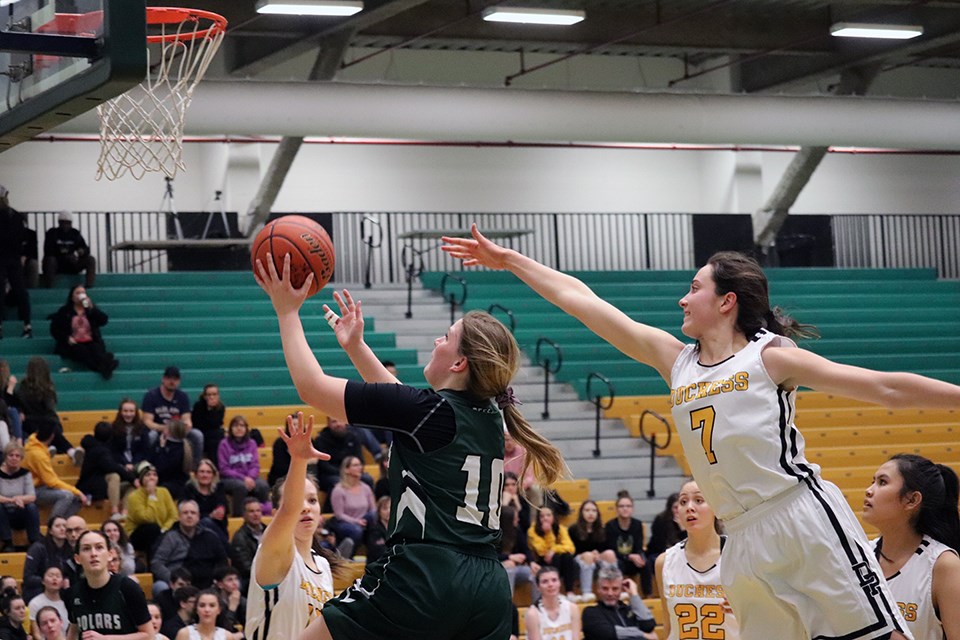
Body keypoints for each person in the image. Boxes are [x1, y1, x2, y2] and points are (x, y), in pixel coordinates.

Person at [441, 228, 960, 639]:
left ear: (727, 301)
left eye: (694, 289)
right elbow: (582, 300)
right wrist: (510, 261)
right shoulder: (677, 362)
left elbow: (884, 388)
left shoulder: (771, 357)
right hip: (742, 534)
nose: (683, 300)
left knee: (878, 636)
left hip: (800, 516)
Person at [255, 255, 567, 640]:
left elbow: (312, 386)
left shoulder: (431, 411)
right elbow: (402, 404)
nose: (437, 340)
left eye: (446, 337)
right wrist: (356, 348)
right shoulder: (488, 414)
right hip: (488, 585)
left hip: (426, 576)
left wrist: (287, 312)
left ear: (459, 364)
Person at [244, 414, 339, 640]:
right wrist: (299, 459)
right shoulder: (275, 551)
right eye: (300, 501)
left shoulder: (323, 566)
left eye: (313, 501)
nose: (305, 508)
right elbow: (290, 509)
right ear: (276, 514)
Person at [863, 454, 960, 640]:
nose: (869, 491)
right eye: (872, 481)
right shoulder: (860, 556)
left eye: (882, 482)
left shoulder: (944, 565)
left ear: (912, 500)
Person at [656, 480, 740, 640]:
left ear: (716, 507)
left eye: (699, 500)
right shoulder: (664, 562)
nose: (690, 507)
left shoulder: (739, 556)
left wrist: (745, 608)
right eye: (683, 502)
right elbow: (668, 627)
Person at [66, 529, 152, 640]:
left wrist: (106, 639)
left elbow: (149, 635)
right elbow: (73, 634)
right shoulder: (73, 593)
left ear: (110, 554)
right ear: (77, 559)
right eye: (86, 549)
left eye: (99, 547)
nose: (93, 554)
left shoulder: (127, 588)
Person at [150, 499, 229, 594]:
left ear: (198, 517)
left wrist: (216, 580)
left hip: (208, 586)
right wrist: (174, 579)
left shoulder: (210, 536)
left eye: (193, 513)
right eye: (185, 513)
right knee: (160, 586)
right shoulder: (170, 537)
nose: (189, 515)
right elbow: (156, 563)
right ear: (179, 517)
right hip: (179, 586)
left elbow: (222, 561)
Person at [48, 285, 118, 379]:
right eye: (77, 293)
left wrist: (92, 309)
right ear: (72, 297)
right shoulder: (65, 311)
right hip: (73, 342)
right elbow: (54, 329)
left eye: (83, 293)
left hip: (90, 340)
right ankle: (104, 366)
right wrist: (66, 338)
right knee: (82, 351)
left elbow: (103, 320)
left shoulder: (90, 310)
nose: (81, 295)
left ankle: (104, 364)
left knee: (96, 349)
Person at [23, 420, 86, 520]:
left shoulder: (33, 443)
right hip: (32, 490)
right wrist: (77, 491)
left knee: (76, 499)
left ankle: (62, 524)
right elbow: (51, 482)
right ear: (52, 436)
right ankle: (53, 526)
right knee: (67, 496)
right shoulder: (38, 455)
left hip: (40, 485)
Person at [16, 359, 77, 459]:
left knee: (50, 427)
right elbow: (49, 411)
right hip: (41, 423)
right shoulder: (47, 389)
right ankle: (70, 450)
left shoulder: (21, 387)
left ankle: (49, 448)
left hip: (29, 423)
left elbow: (16, 404)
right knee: (52, 427)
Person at [75, 421, 134, 520]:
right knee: (115, 476)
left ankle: (125, 512)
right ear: (110, 436)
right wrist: (132, 478)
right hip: (92, 488)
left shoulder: (93, 445)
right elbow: (111, 466)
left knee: (130, 485)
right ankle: (114, 510)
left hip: (102, 485)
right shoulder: (100, 451)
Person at [581, 565, 659, 640]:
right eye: (605, 589)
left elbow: (649, 626)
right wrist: (643, 635)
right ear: (598, 589)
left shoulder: (629, 610)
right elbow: (608, 634)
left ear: (621, 589)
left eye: (615, 589)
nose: (610, 593)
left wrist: (634, 595)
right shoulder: (590, 612)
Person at [141, 367, 202, 462]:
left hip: (177, 430)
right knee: (151, 436)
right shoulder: (151, 395)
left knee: (197, 435)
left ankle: (195, 467)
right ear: (163, 379)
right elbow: (147, 421)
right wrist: (164, 428)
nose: (172, 381)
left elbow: (187, 419)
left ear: (179, 381)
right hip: (158, 430)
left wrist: (186, 427)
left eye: (175, 379)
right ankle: (150, 466)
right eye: (169, 378)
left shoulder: (182, 396)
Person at [311, 416, 380, 496]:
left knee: (367, 479)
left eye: (340, 421)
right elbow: (323, 465)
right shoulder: (321, 440)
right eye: (334, 422)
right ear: (328, 424)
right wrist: (344, 473)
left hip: (350, 471)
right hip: (331, 475)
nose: (338, 424)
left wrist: (351, 471)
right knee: (336, 483)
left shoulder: (353, 437)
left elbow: (360, 460)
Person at [217, 416, 270, 517]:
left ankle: (263, 515)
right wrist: (244, 478)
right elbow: (224, 468)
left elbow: (255, 465)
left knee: (263, 485)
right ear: (231, 428)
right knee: (240, 487)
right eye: (235, 425)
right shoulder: (224, 444)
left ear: (246, 428)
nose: (239, 428)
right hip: (229, 479)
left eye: (242, 425)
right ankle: (238, 516)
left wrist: (250, 477)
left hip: (249, 477)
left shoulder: (252, 443)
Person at [124, 461, 178, 558]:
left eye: (154, 475)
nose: (152, 478)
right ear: (141, 478)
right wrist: (151, 496)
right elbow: (147, 518)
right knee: (152, 529)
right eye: (148, 475)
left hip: (161, 531)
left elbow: (173, 515)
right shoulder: (134, 496)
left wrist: (164, 529)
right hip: (138, 535)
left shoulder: (164, 492)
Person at [0, 185, 32, 339]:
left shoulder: (15, 216)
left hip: (11, 258)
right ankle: (26, 326)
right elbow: (24, 239)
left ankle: (27, 326)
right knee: (18, 292)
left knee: (21, 292)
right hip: (9, 258)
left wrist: (23, 255)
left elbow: (24, 239)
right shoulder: (16, 216)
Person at [604, 491, 651, 597]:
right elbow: (611, 550)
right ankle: (618, 593)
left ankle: (648, 595)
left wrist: (640, 557)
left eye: (628, 506)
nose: (625, 508)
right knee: (617, 564)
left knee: (646, 563)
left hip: (632, 560)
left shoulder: (637, 524)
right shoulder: (610, 526)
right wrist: (628, 556)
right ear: (616, 509)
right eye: (621, 506)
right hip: (619, 559)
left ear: (632, 509)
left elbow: (639, 547)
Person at [327, 456, 374, 558]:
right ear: (347, 469)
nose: (360, 467)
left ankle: (375, 556)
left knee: (374, 518)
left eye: (360, 465)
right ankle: (344, 556)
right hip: (345, 523)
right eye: (355, 465)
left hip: (364, 521)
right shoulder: (339, 490)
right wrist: (357, 521)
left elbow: (372, 509)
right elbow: (339, 515)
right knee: (356, 530)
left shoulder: (366, 488)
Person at [568, 499, 615, 602]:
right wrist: (588, 555)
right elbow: (571, 551)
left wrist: (598, 555)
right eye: (587, 510)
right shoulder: (573, 529)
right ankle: (587, 592)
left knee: (610, 554)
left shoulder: (602, 530)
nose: (591, 513)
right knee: (588, 556)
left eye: (594, 511)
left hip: (596, 559)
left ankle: (614, 588)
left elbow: (604, 548)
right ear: (581, 513)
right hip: (579, 559)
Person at [528, 506, 578, 600]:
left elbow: (570, 547)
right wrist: (548, 533)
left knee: (567, 557)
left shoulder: (561, 528)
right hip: (541, 561)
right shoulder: (532, 530)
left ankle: (569, 592)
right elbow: (542, 551)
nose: (545, 518)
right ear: (538, 518)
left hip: (558, 559)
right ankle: (556, 592)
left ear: (553, 517)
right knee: (555, 557)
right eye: (542, 516)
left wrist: (554, 549)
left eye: (548, 515)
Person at [0, 442, 40, 551]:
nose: (14, 458)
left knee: (31, 506)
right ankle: (8, 542)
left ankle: (34, 541)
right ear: (6, 457)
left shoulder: (26, 474)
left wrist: (21, 499)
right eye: (11, 455)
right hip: (3, 514)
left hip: (20, 512)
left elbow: (32, 496)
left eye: (17, 456)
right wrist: (13, 500)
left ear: (21, 458)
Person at [22, 517, 72, 602]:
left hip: (61, 590)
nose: (62, 529)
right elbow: (28, 577)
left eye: (64, 526)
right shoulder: (38, 548)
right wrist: (48, 581)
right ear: (50, 531)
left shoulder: (70, 549)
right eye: (58, 526)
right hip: (38, 590)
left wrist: (66, 579)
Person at [41, 212, 95, 290]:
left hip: (71, 264)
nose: (66, 225)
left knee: (90, 259)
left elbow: (85, 248)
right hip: (57, 265)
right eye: (64, 223)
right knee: (50, 260)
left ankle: (89, 287)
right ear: (59, 223)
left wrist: (82, 251)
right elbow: (48, 251)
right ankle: (49, 287)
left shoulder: (75, 233)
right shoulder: (52, 233)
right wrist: (65, 257)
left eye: (68, 223)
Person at [525, 566, 581, 640]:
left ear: (560, 583)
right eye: (545, 581)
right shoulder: (533, 614)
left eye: (554, 580)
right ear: (538, 587)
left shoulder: (572, 608)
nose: (550, 585)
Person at [181, 459, 229, 543]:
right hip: (195, 529)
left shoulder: (219, 488)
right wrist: (210, 516)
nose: (205, 475)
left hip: (218, 528)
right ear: (196, 474)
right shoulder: (189, 489)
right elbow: (186, 511)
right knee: (207, 522)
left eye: (208, 472)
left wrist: (221, 509)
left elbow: (224, 508)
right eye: (202, 472)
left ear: (213, 475)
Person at [148, 419, 193, 500]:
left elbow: (162, 467)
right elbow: (150, 459)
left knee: (161, 489)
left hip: (174, 483)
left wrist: (161, 449)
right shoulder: (160, 442)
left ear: (170, 432)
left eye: (166, 428)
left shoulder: (180, 448)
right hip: (160, 479)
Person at [174, 589, 242, 640]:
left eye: (212, 605)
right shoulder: (185, 634)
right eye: (202, 605)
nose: (207, 610)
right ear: (196, 609)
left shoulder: (227, 636)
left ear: (219, 610)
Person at [108, 398, 150, 479]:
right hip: (120, 462)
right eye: (125, 411)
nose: (128, 414)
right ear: (120, 412)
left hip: (138, 462)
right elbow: (113, 451)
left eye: (131, 411)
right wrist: (125, 463)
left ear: (136, 412)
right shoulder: (113, 428)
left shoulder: (142, 428)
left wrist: (134, 463)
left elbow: (144, 450)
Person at [228, 497, 264, 590]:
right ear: (244, 515)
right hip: (249, 580)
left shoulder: (270, 531)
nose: (255, 514)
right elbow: (246, 568)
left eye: (258, 511)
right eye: (251, 511)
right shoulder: (239, 537)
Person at [646, 491, 685, 571]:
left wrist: (682, 529)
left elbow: (688, 545)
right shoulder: (661, 520)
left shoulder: (689, 519)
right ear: (670, 508)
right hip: (659, 553)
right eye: (675, 507)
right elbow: (659, 544)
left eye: (681, 506)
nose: (678, 510)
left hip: (680, 554)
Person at [26, 568, 69, 640]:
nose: (54, 578)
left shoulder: (68, 603)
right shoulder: (35, 603)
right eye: (51, 575)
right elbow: (36, 633)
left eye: (58, 576)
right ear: (43, 581)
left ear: (62, 582)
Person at [192, 386, 225, 464]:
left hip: (213, 434)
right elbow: (198, 423)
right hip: (201, 432)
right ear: (204, 396)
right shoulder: (198, 406)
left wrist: (211, 409)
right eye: (209, 395)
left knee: (218, 436)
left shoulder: (221, 407)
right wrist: (209, 409)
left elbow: (216, 423)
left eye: (214, 394)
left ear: (218, 395)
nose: (212, 397)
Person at [211, 567, 245, 632]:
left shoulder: (243, 601)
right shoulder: (214, 602)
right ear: (220, 584)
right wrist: (232, 608)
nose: (235, 583)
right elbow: (224, 630)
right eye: (230, 580)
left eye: (236, 579)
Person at [362, 496, 390, 564]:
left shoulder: (398, 528)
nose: (389, 511)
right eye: (385, 508)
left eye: (391, 508)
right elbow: (378, 552)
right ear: (379, 511)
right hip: (377, 566)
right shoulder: (374, 529)